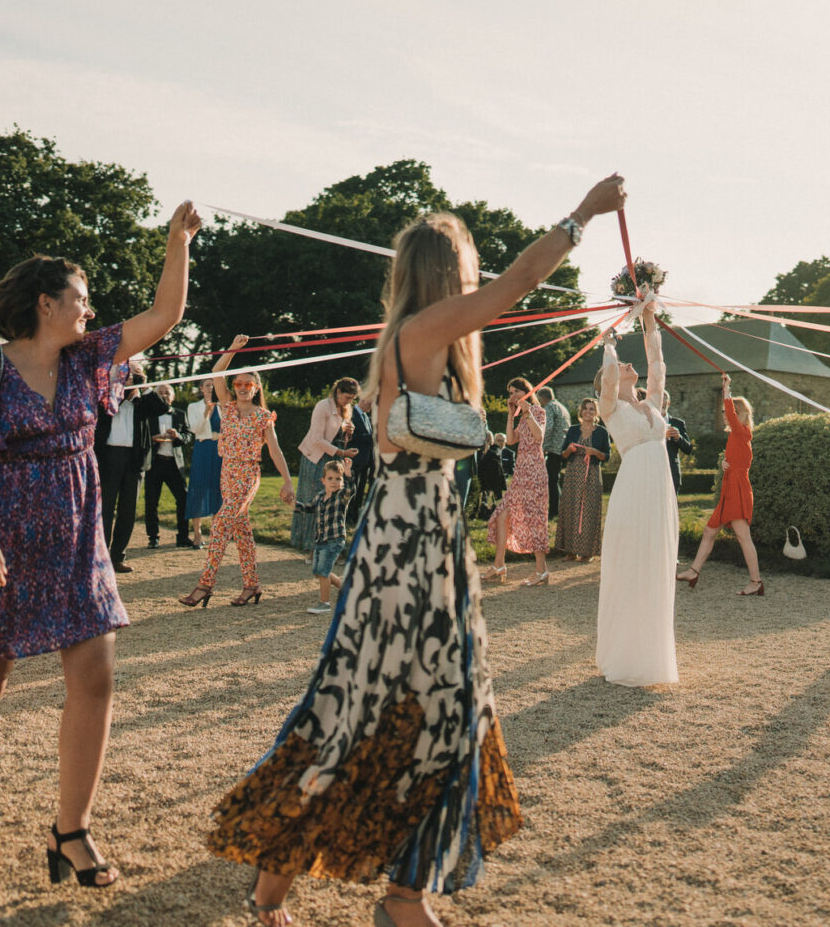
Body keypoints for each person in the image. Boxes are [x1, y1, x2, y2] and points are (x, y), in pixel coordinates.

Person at [207, 175, 624, 927]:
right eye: (466, 267)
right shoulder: (423, 331)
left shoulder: (430, 343)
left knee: (429, 705)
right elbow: (523, 279)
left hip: (427, 538)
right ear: (447, 274)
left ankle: (394, 890)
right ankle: (321, 889)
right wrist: (584, 213)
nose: (475, 280)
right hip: (404, 545)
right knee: (368, 703)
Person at [0, 202, 202, 892]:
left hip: (78, 534)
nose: (90, 308)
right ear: (47, 303)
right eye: (80, 298)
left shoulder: (89, 358)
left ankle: (70, 828)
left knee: (96, 678)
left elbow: (163, 316)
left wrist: (177, 242)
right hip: (1, 534)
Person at [596, 303, 681, 685]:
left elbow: (658, 362)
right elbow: (612, 378)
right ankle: (624, 653)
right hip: (633, 487)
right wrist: (609, 345)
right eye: (623, 365)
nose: (633, 366)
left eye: (631, 363)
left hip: (659, 488)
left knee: (655, 562)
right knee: (632, 562)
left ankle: (651, 654)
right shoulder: (609, 406)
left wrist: (647, 315)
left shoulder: (651, 403)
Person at [180, 337, 296, 609]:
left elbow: (276, 451)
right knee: (241, 530)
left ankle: (205, 584)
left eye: (248, 384)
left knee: (221, 522)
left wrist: (288, 482)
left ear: (256, 389)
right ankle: (252, 584)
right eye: (239, 384)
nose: (243, 388)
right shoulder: (227, 407)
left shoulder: (263, 416)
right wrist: (233, 349)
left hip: (247, 474)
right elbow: (216, 373)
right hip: (226, 472)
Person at [677, 373, 764, 596]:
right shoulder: (737, 435)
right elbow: (740, 459)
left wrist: (726, 389)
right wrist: (727, 464)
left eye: (729, 413)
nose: (725, 416)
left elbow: (734, 424)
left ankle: (756, 582)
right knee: (709, 532)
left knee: (743, 536)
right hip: (730, 487)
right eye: (725, 414)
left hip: (737, 489)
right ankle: (694, 571)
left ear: (740, 414)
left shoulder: (742, 431)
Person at [483, 378, 550, 585]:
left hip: (534, 471)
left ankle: (542, 570)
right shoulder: (521, 417)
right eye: (510, 391)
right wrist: (511, 415)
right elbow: (510, 440)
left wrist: (527, 411)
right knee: (502, 515)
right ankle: (499, 564)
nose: (512, 395)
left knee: (533, 518)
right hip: (521, 471)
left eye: (515, 391)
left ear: (526, 392)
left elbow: (539, 437)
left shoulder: (538, 412)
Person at [93, 368, 160, 572]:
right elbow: (101, 415)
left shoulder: (143, 400)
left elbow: (161, 408)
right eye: (127, 374)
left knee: (128, 510)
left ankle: (117, 556)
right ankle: (100, 558)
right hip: (109, 457)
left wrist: (144, 387)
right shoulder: (107, 394)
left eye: (133, 374)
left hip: (135, 459)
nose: (130, 378)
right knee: (105, 509)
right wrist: (121, 392)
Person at [291, 377, 360, 552]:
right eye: (346, 397)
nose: (349, 402)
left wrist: (348, 434)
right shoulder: (323, 406)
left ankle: (325, 542)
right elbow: (317, 439)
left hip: (333, 458)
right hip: (315, 458)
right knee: (312, 498)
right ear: (338, 392)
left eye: (352, 399)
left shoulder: (347, 408)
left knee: (331, 502)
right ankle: (307, 543)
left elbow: (338, 436)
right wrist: (342, 453)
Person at [555, 398, 609, 561]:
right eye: (585, 408)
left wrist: (595, 452)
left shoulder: (601, 432)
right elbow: (562, 454)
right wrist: (570, 450)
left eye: (592, 409)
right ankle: (570, 551)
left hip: (591, 473)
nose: (588, 412)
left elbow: (607, 456)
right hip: (572, 473)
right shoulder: (572, 430)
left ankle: (587, 552)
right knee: (571, 508)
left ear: (596, 413)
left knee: (589, 510)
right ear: (581, 411)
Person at [142, 382, 193, 548]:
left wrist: (177, 435)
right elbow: (140, 436)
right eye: (160, 392)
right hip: (154, 463)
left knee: (183, 499)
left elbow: (188, 436)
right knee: (151, 501)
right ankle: (153, 537)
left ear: (173, 396)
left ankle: (183, 536)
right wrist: (151, 439)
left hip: (174, 464)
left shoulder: (180, 414)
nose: (164, 395)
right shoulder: (148, 414)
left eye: (167, 392)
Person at [299, 460, 347, 614]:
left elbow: (350, 490)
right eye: (331, 478)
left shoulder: (341, 497)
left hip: (335, 540)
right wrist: (292, 503)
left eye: (338, 478)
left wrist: (349, 473)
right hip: (321, 540)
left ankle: (324, 604)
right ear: (323, 481)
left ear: (342, 481)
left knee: (323, 572)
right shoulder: (320, 496)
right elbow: (307, 508)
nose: (334, 482)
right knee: (318, 571)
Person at [185, 379, 223, 545]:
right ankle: (197, 533)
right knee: (199, 488)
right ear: (201, 388)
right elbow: (195, 430)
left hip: (221, 451)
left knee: (219, 488)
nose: (211, 388)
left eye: (214, 385)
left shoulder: (226, 406)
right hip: (203, 449)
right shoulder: (194, 407)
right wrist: (206, 413)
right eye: (207, 385)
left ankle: (215, 533)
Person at [538, 385, 570, 522]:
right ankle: (560, 509)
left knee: (551, 480)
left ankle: (554, 511)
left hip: (554, 449)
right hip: (564, 447)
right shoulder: (562, 407)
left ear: (543, 398)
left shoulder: (549, 408)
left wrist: (541, 445)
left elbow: (548, 427)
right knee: (555, 479)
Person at [343, 394, 375, 530]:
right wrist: (373, 437)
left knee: (360, 491)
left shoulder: (366, 417)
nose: (372, 406)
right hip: (354, 460)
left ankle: (354, 516)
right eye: (370, 402)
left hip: (365, 462)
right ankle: (348, 516)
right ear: (364, 400)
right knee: (352, 490)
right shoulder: (352, 414)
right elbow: (352, 437)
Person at [661, 391, 695, 490]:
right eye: (660, 398)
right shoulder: (650, 423)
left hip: (672, 472)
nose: (662, 402)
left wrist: (678, 438)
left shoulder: (678, 423)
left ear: (669, 403)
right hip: (654, 471)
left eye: (665, 398)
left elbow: (688, 449)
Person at [474, 430, 507, 518]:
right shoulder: (494, 452)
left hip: (486, 479)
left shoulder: (489, 452)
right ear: (493, 441)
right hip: (491, 479)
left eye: (502, 440)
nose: (500, 443)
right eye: (498, 440)